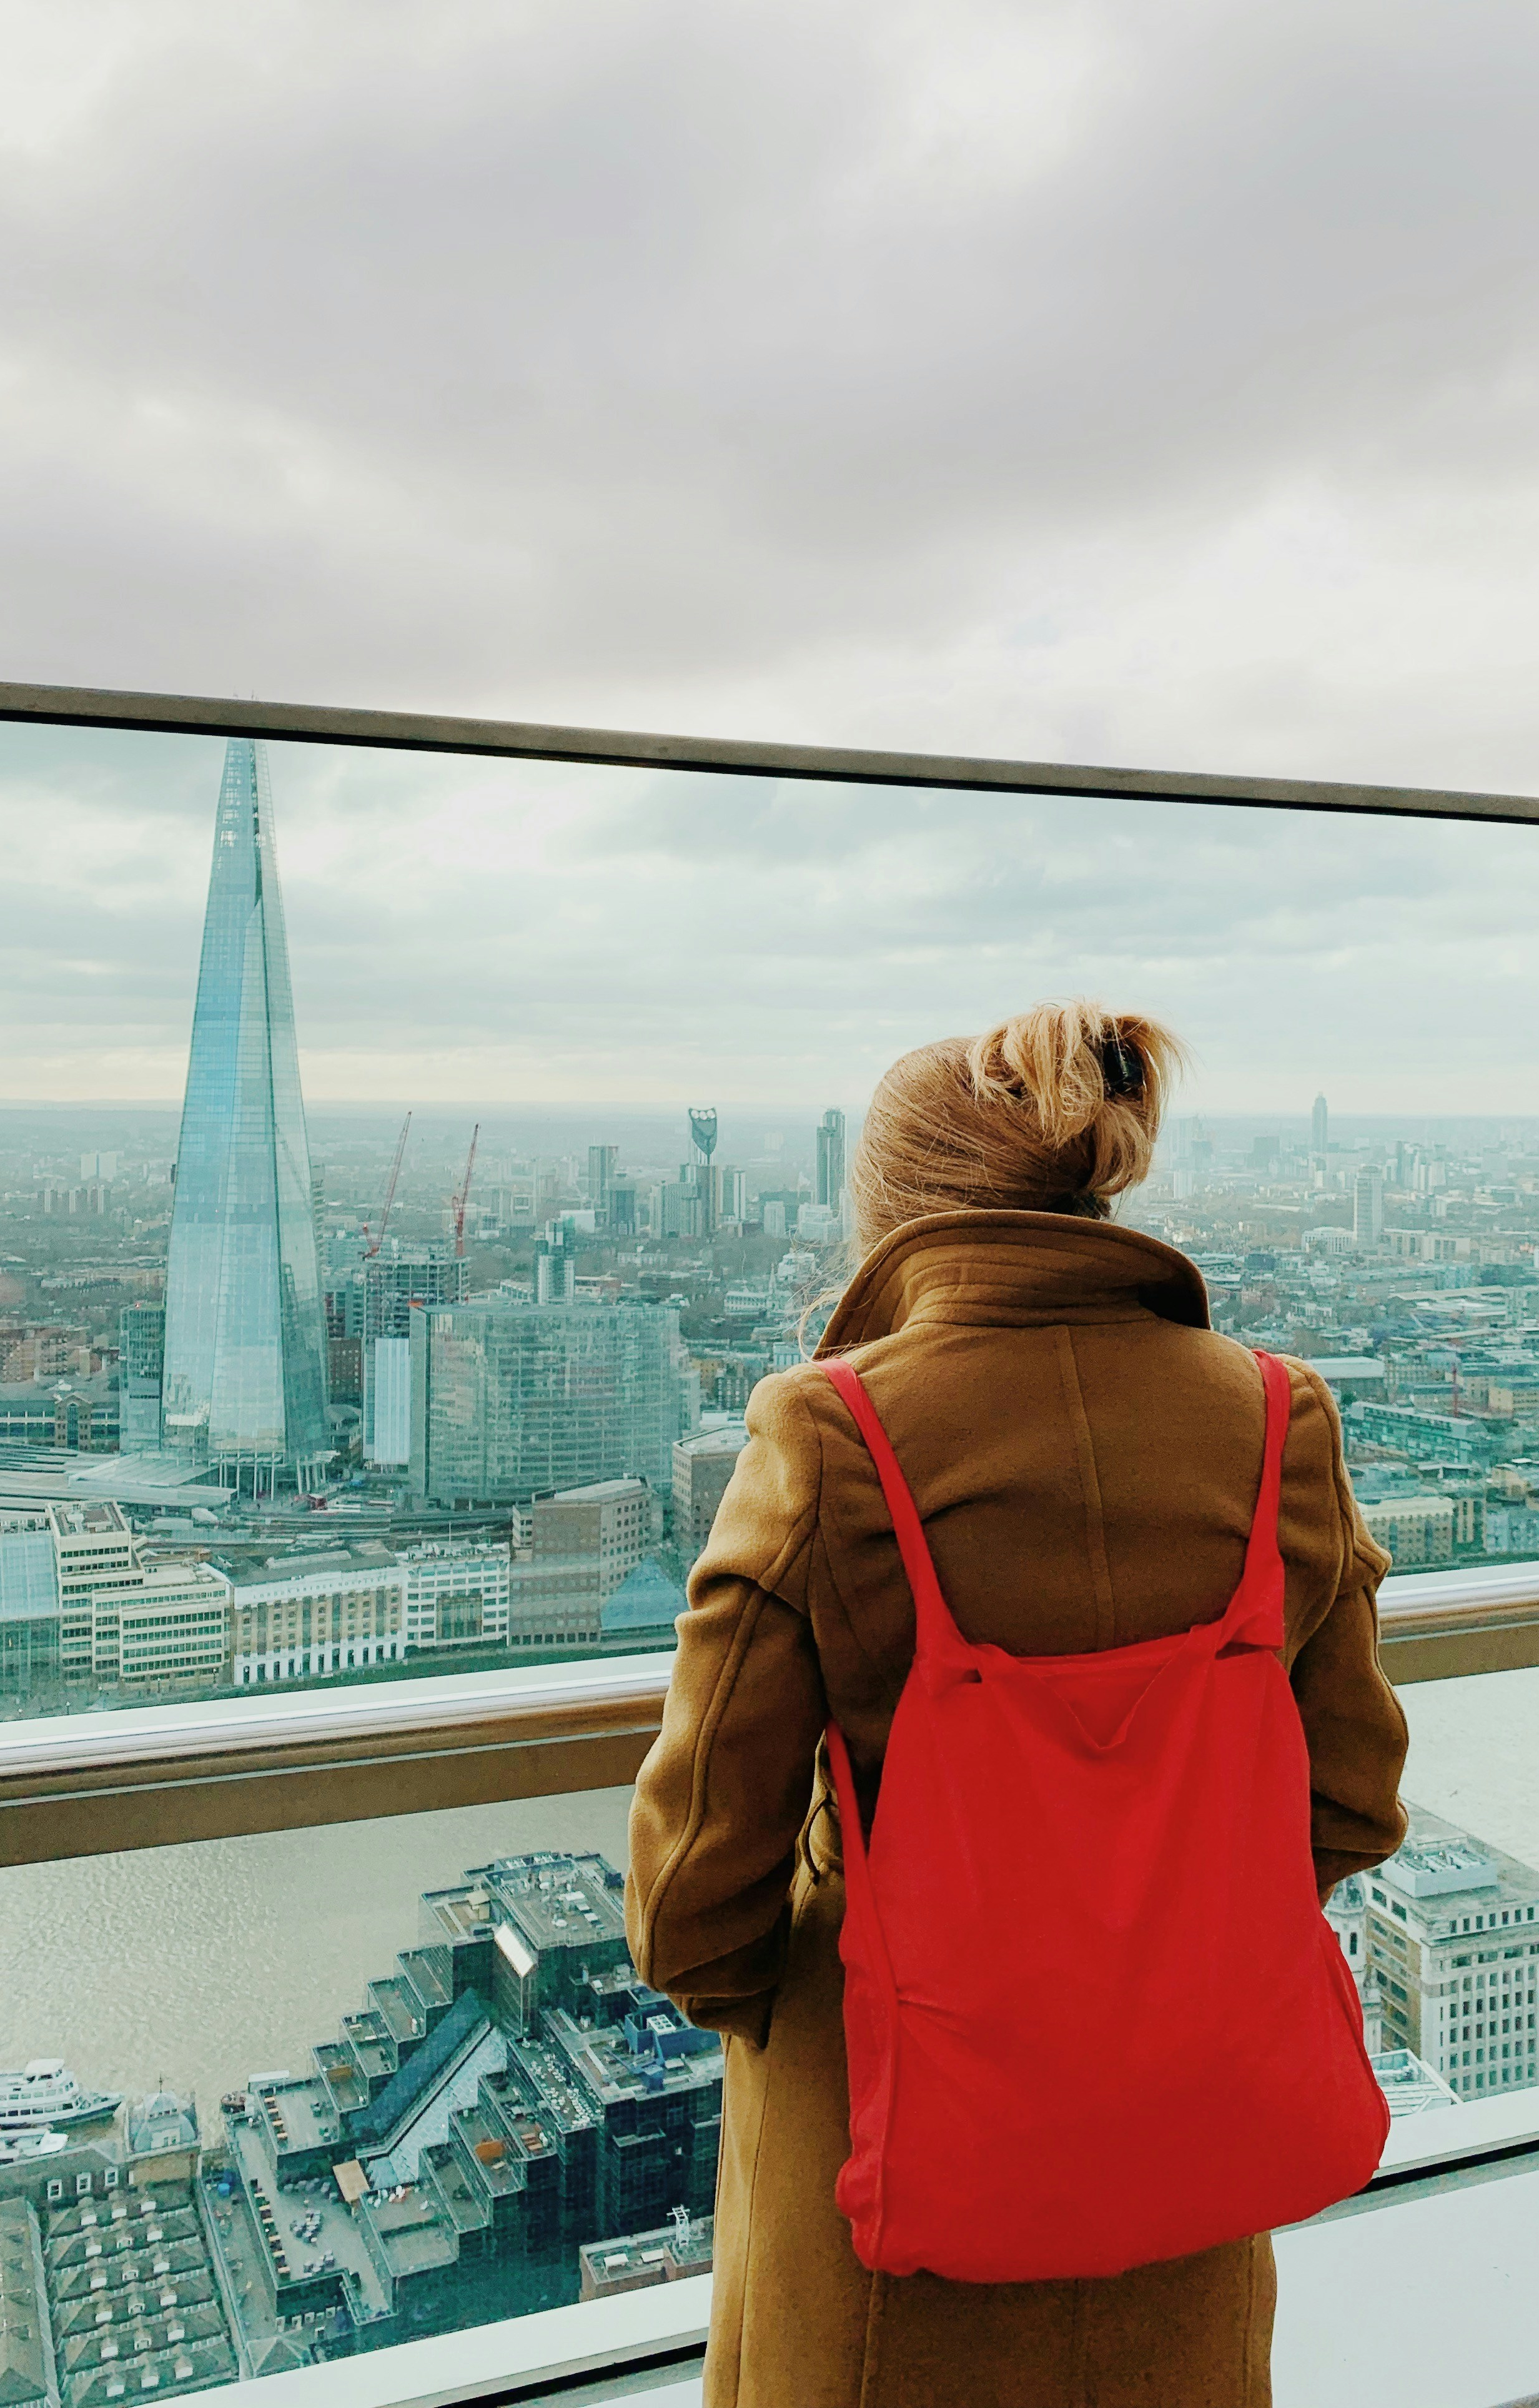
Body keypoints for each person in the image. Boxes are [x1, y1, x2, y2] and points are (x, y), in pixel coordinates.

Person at [625, 999, 1407, 2408]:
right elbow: (1352, 1797)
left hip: (885, 2195)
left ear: (896, 1211)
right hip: (1187, 2168)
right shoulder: (1280, 1416)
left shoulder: (827, 1432)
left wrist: (830, 2010)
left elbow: (692, 1899)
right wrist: (1165, 1945)